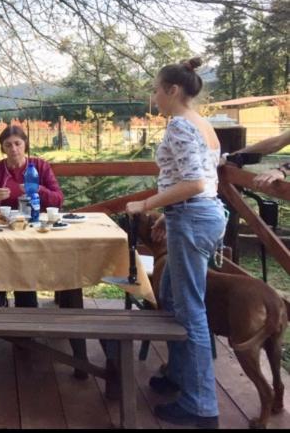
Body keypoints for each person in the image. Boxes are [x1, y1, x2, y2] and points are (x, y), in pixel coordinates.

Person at [125, 57, 224, 428]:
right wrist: (170, 213)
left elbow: (195, 182)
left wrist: (147, 205)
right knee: (170, 298)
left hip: (194, 218)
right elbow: (203, 180)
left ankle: (201, 406)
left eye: (155, 89)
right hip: (201, 215)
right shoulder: (204, 125)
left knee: (190, 311)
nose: (153, 97)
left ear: (173, 90)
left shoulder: (180, 125)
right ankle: (177, 377)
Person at [0, 125, 64, 308]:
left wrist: (39, 189)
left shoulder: (40, 166)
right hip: (1, 229)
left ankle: (26, 303)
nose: (13, 149)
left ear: (25, 144)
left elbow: (58, 200)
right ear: (3, 148)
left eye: (17, 143)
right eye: (8, 145)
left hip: (33, 228)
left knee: (25, 258)